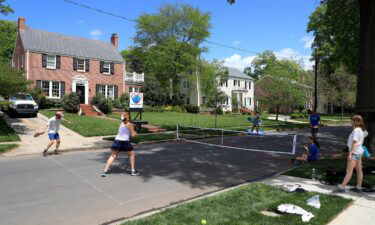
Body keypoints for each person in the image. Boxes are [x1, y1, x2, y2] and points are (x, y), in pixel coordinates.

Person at [333, 115, 368, 193]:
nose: (351, 122)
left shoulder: (356, 131)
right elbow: (363, 136)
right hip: (359, 153)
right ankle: (358, 187)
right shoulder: (360, 130)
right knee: (359, 170)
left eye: (352, 120)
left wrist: (350, 154)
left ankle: (342, 187)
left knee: (349, 171)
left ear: (356, 122)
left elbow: (354, 143)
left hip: (354, 153)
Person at [101, 112, 139, 177]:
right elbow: (132, 135)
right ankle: (133, 171)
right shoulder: (130, 125)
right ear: (129, 117)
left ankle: (105, 171)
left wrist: (123, 115)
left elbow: (123, 118)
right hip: (125, 141)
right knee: (131, 154)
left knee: (113, 155)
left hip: (117, 140)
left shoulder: (121, 123)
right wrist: (136, 132)